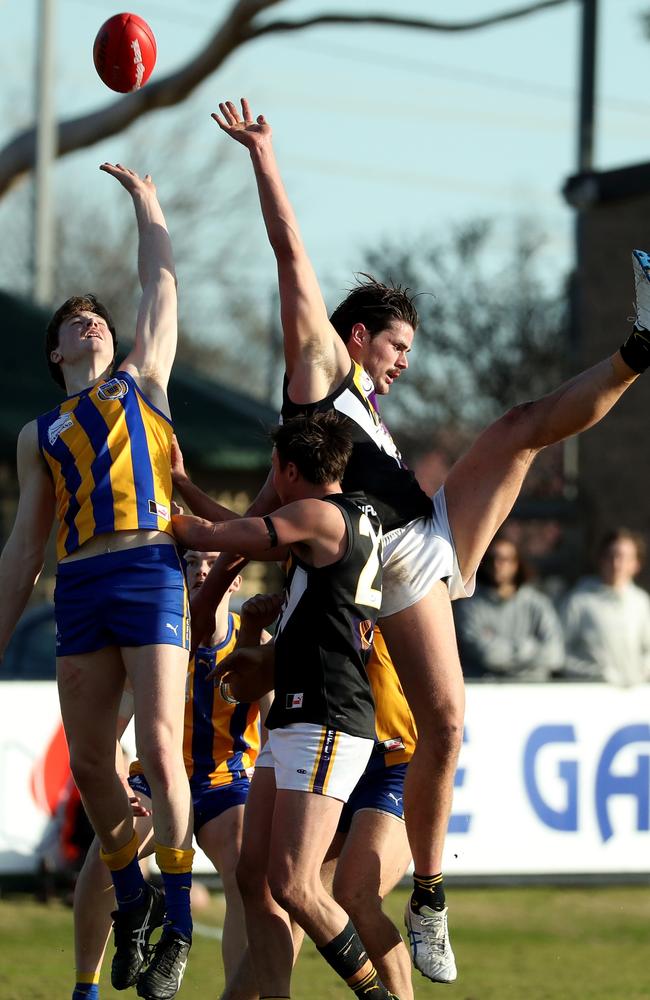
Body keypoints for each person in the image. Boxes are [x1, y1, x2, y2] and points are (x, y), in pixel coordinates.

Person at [193, 98, 646, 983]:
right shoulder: (321, 374)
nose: (404, 363)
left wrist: (220, 581)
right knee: (435, 724)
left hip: (422, 536)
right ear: (353, 338)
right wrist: (264, 157)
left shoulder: (361, 427)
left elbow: (268, 498)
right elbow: (290, 254)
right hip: (387, 563)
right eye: (396, 346)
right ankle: (412, 913)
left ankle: (639, 349)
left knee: (518, 427)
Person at [0, 163, 194, 1000]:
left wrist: (147, 203)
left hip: (149, 566)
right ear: (56, 351)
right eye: (75, 321)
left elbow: (159, 282)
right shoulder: (37, 433)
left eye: (98, 319)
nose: (91, 323)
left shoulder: (142, 382)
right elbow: (20, 554)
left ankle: (178, 918)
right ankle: (134, 894)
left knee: (156, 743)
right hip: (79, 586)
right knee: (89, 765)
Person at [174, 411, 400, 999]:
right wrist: (186, 486)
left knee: (297, 884)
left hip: (328, 714)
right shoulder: (332, 519)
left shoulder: (320, 514)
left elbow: (233, 535)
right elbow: (251, 527)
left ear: (287, 470)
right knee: (255, 877)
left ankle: (378, 995)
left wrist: (170, 522)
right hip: (298, 717)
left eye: (274, 476)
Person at [70, 551, 272, 1000]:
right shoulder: (154, 644)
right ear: (179, 576)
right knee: (105, 852)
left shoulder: (256, 640)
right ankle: (86, 988)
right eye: (192, 562)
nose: (202, 569)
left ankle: (235, 993)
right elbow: (110, 735)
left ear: (234, 580)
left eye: (213, 562)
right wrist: (121, 783)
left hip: (226, 783)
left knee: (247, 873)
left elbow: (282, 729)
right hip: (155, 784)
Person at [453, 534, 564, 681]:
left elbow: (555, 655)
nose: (497, 565)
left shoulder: (538, 604)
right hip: (483, 690)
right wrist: (529, 648)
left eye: (505, 559)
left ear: (516, 564)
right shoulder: (468, 605)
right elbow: (488, 656)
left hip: (533, 689)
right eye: (492, 559)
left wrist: (506, 650)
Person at [559, 528, 650, 686]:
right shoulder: (579, 600)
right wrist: (596, 675)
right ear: (600, 559)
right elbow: (560, 653)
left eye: (623, 557)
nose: (616, 564)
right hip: (592, 696)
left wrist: (639, 674)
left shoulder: (641, 601)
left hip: (635, 698)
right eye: (611, 556)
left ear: (636, 564)